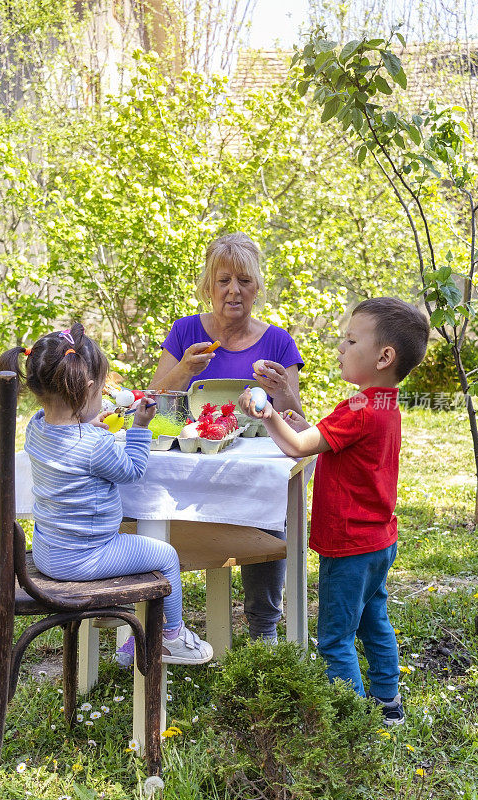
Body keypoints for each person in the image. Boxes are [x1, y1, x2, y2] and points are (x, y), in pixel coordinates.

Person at [239, 297, 430, 725]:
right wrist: (300, 422)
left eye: (350, 340)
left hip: (348, 545)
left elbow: (296, 447)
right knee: (372, 620)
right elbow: (325, 439)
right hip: (378, 540)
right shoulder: (381, 405)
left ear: (384, 357)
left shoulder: (359, 409)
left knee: (334, 639)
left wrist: (267, 413)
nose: (340, 347)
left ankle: (353, 723)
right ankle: (388, 703)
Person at [0, 323, 213, 667]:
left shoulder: (35, 426)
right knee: (166, 557)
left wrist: (86, 423)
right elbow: (131, 470)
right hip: (86, 559)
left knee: (130, 542)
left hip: (50, 551)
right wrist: (140, 427)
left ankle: (118, 616)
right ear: (89, 389)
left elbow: (66, 435)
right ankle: (171, 638)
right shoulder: (94, 446)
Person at [150, 232, 304, 642]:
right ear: (208, 286)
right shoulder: (185, 333)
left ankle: (263, 631)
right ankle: (154, 624)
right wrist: (184, 370)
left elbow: (298, 420)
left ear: (257, 287)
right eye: (223, 281)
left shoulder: (277, 341)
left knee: (272, 510)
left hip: (247, 472)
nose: (234, 291)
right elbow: (152, 412)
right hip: (188, 471)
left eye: (244, 281)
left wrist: (284, 391)